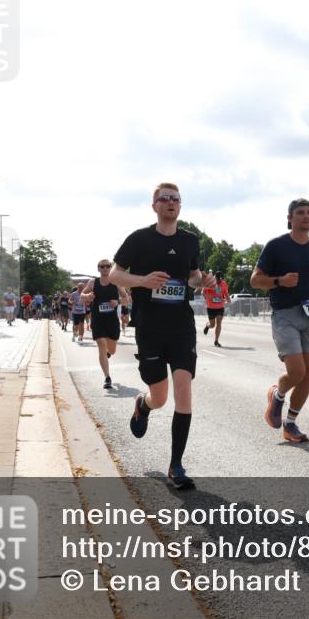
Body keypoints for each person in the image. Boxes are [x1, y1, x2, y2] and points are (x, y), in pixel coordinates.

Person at [109, 182, 216, 490]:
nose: (171, 202)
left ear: (180, 206)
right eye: (165, 199)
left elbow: (192, 275)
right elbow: (115, 274)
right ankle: (142, 405)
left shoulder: (189, 241)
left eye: (176, 199)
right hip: (150, 326)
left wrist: (202, 280)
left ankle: (176, 465)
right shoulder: (140, 239)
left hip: (181, 325)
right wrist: (143, 280)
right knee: (160, 396)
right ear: (154, 205)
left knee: (184, 390)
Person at [252, 198, 309, 444]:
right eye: (300, 212)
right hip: (285, 314)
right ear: (290, 218)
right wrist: (279, 281)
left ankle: (290, 424)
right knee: (297, 371)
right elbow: (255, 280)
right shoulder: (276, 246)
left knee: (308, 374)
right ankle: (277, 395)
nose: (306, 216)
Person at [82, 260, 129, 390]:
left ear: (111, 267)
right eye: (102, 266)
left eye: (107, 266)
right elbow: (82, 296)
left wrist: (118, 301)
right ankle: (107, 377)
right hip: (97, 319)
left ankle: (109, 352)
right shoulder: (93, 282)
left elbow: (127, 299)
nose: (105, 268)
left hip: (112, 321)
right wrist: (88, 295)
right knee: (102, 346)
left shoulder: (116, 283)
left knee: (111, 350)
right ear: (98, 269)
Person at [202, 271, 230, 347]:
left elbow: (225, 293)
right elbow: (203, 293)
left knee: (219, 322)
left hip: (220, 307)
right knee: (212, 325)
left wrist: (228, 299)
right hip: (210, 307)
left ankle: (216, 341)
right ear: (215, 278)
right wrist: (210, 297)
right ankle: (208, 326)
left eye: (220, 280)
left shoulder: (223, 283)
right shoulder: (209, 282)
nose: (219, 281)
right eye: (217, 280)